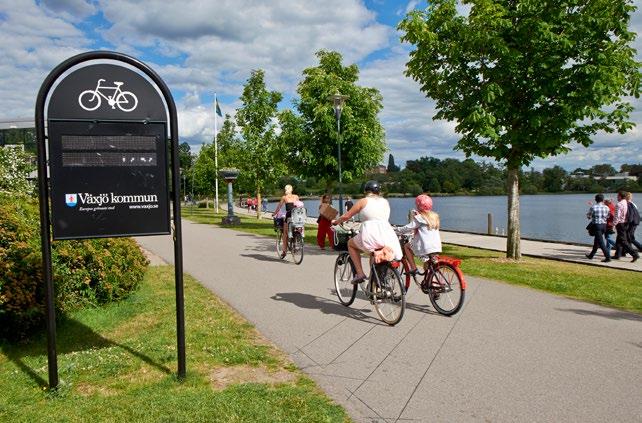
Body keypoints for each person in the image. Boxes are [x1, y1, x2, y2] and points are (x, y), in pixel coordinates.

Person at [331, 180, 402, 284]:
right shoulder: (385, 201)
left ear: (366, 191)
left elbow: (347, 216)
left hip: (371, 233)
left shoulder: (364, 201)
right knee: (374, 252)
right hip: (387, 233)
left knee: (350, 244)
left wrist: (336, 222)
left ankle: (360, 273)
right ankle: (375, 283)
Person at [395, 194, 442, 273]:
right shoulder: (434, 216)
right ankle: (432, 281)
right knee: (429, 265)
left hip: (424, 247)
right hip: (436, 246)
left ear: (418, 206)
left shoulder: (420, 218)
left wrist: (396, 230)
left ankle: (413, 268)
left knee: (406, 246)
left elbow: (408, 228)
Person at [274, 184, 300, 258]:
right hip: (297, 216)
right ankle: (295, 244)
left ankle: (284, 251)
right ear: (291, 190)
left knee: (285, 234)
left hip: (289, 217)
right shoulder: (296, 196)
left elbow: (279, 207)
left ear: (285, 190)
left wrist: (274, 214)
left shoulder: (284, 197)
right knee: (295, 229)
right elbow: (299, 205)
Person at [613, 190, 639, 262]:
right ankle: (617, 255)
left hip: (620, 224)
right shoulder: (626, 203)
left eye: (618, 196)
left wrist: (613, 225)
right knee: (619, 240)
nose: (617, 197)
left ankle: (634, 254)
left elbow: (617, 217)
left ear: (620, 196)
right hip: (625, 223)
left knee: (623, 241)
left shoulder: (619, 204)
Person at [585, 194, 611, 262]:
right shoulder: (607, 207)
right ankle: (591, 255)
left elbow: (589, 217)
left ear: (595, 200)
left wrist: (589, 215)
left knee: (601, 242)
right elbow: (608, 216)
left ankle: (608, 257)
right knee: (597, 241)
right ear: (603, 200)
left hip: (597, 226)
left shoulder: (593, 207)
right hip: (604, 226)